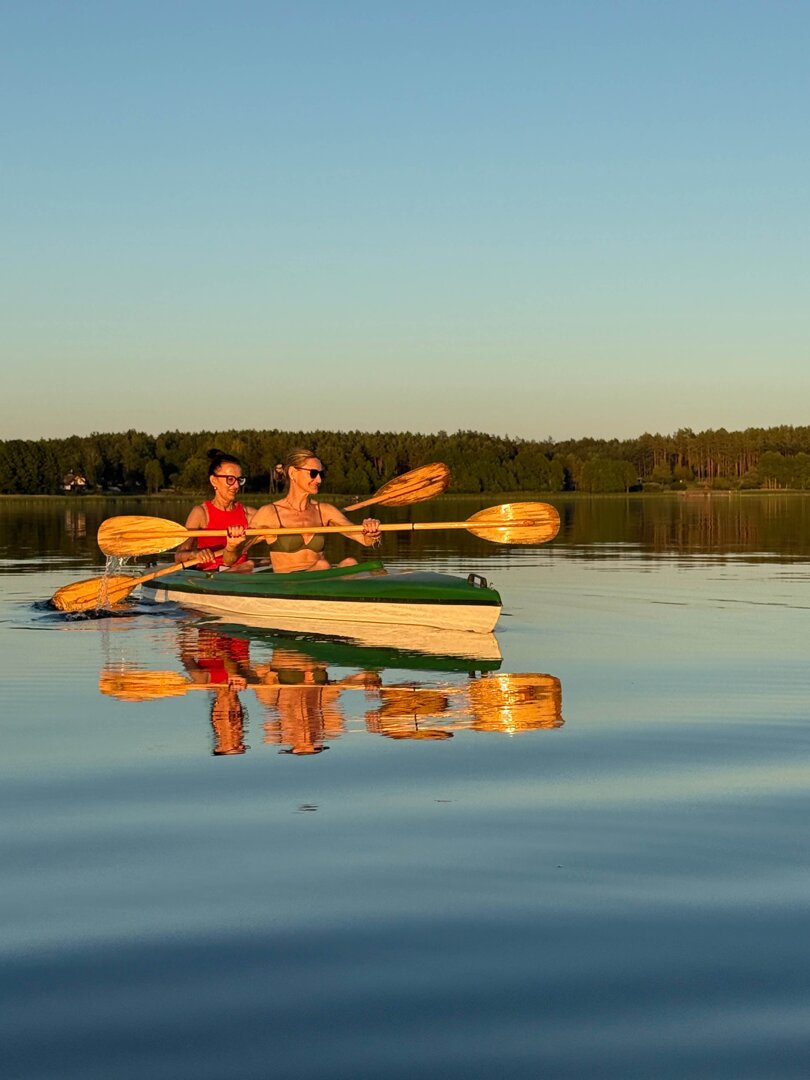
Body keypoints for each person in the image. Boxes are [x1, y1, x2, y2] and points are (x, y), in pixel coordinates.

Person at [250, 448, 382, 573]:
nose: (319, 480)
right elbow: (234, 552)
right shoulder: (269, 513)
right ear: (293, 473)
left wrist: (372, 533)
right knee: (322, 564)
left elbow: (365, 540)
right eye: (313, 473)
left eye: (321, 474)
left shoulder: (324, 511)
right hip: (288, 583)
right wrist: (234, 541)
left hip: (319, 578)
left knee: (350, 562)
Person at [174, 448, 256, 572]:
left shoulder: (249, 513)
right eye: (230, 479)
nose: (236, 486)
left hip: (243, 572)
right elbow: (179, 556)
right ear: (214, 480)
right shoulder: (201, 513)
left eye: (239, 480)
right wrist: (195, 554)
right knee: (250, 565)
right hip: (210, 576)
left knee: (253, 564)